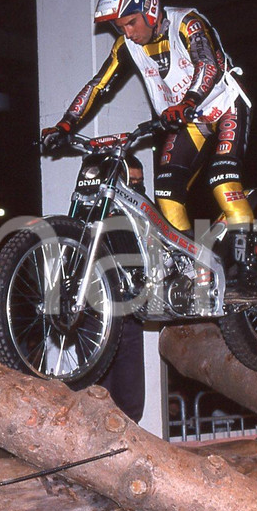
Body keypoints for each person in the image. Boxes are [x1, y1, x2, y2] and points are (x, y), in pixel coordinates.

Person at [40, 0, 257, 299]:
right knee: (167, 189)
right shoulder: (127, 46)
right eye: (120, 27)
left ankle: (249, 272)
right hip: (188, 119)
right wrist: (65, 125)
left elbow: (208, 65)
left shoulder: (187, 23)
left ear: (150, 9)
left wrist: (188, 101)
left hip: (225, 105)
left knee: (223, 178)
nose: (127, 32)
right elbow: (97, 86)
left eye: (130, 22)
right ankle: (190, 268)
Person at [95, 155, 147, 422]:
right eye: (130, 182)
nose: (135, 189)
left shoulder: (144, 219)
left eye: (139, 183)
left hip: (131, 317)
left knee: (131, 403)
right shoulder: (96, 216)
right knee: (100, 400)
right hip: (100, 319)